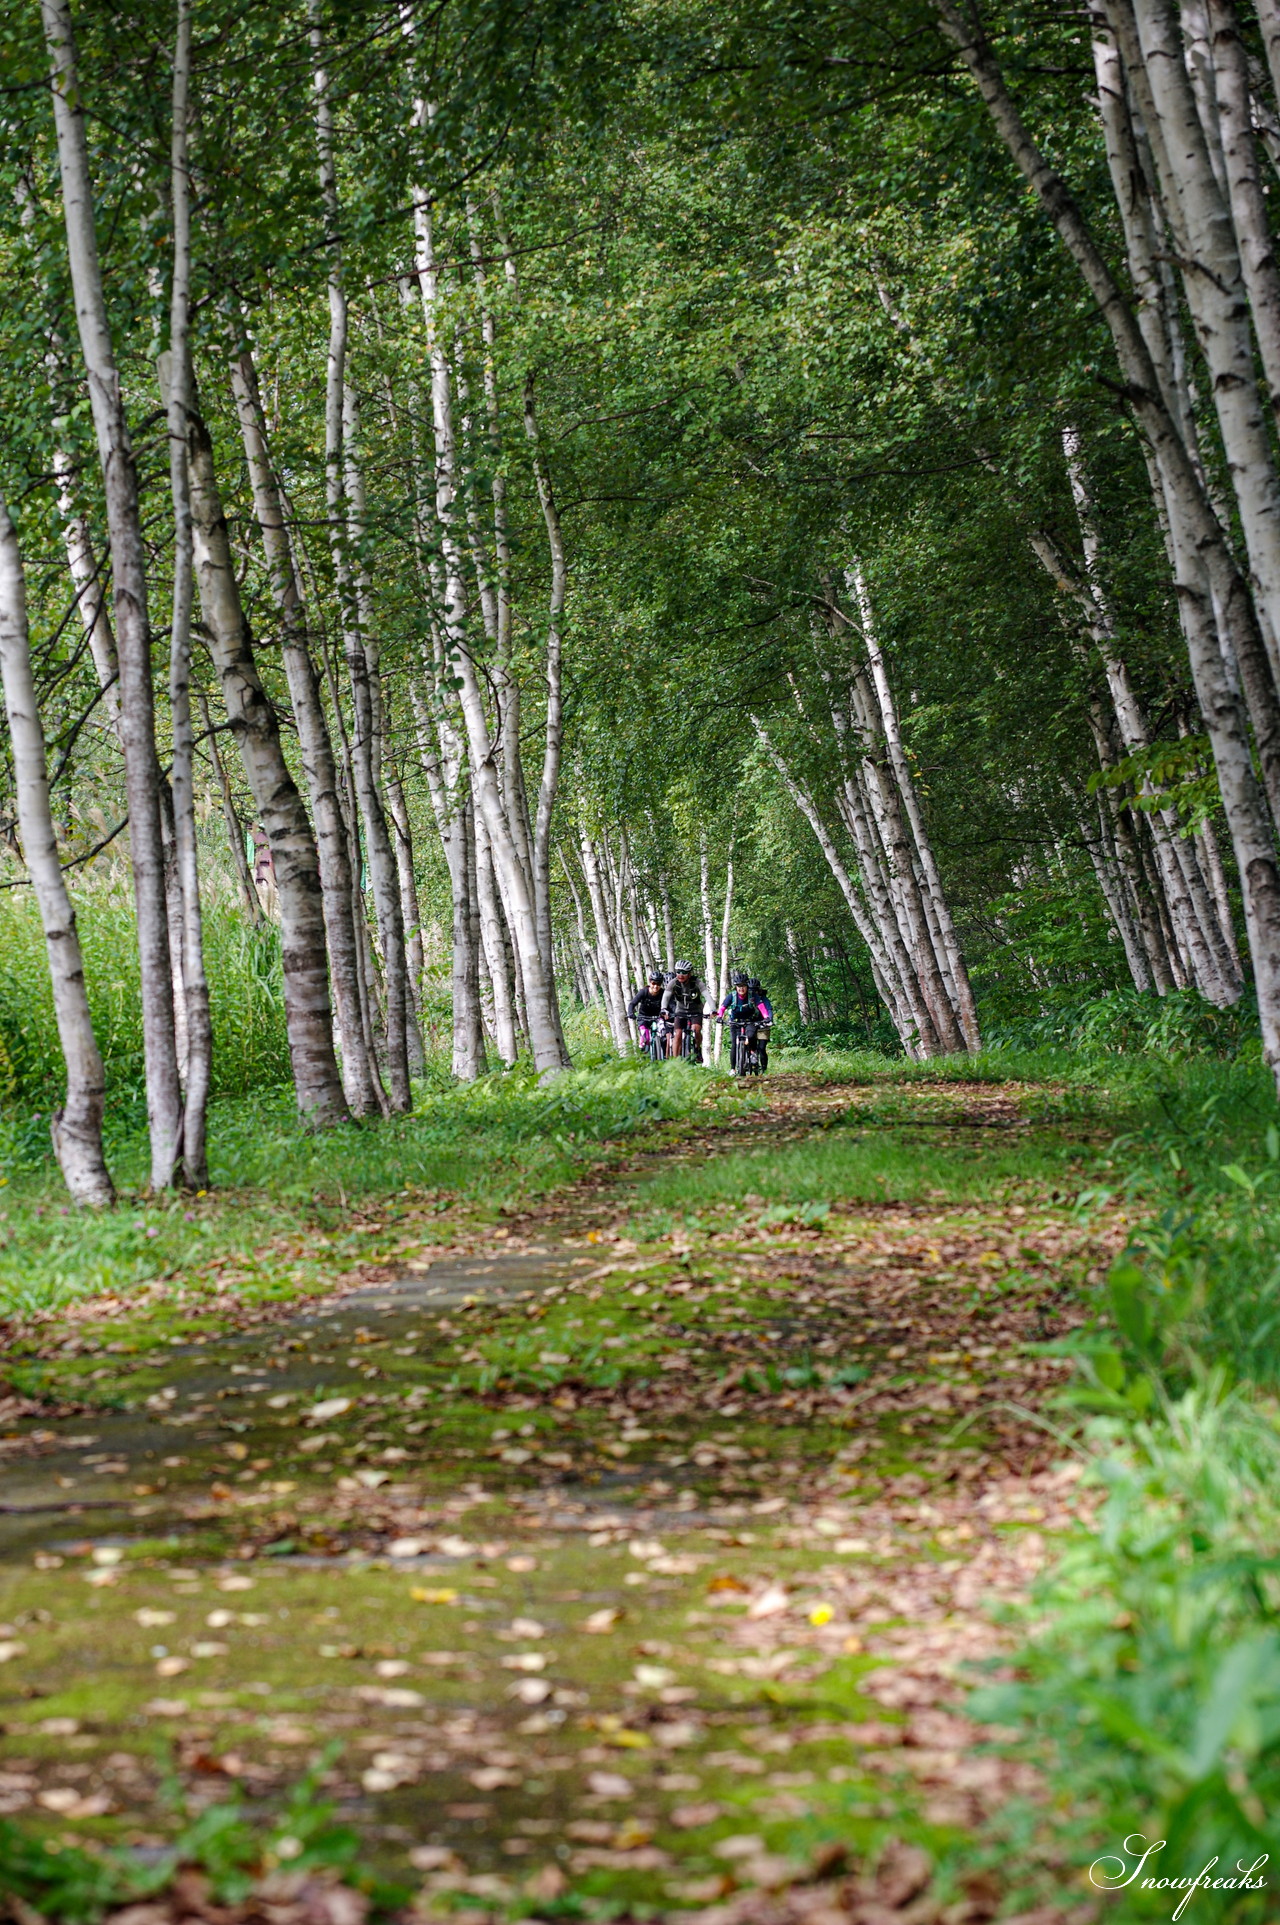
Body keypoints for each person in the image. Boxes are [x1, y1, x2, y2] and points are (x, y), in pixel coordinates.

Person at [718, 970, 772, 1070]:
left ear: (747, 986)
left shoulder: (752, 995)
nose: (741, 988)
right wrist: (719, 1016)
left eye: (743, 986)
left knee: (751, 1036)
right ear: (736, 987)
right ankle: (733, 1069)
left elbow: (761, 1006)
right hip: (735, 1022)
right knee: (734, 1045)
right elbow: (723, 1007)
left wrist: (766, 1017)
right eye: (739, 986)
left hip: (750, 1021)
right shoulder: (732, 996)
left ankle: (752, 1052)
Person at [661, 960, 705, 1061]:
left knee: (696, 1029)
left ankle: (697, 1049)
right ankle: (674, 1060)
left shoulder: (692, 985)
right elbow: (664, 1002)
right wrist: (663, 1011)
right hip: (674, 1017)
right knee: (676, 1035)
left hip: (692, 1012)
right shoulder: (666, 992)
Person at [627, 968, 666, 1054]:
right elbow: (632, 1004)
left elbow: (670, 1004)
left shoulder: (663, 993)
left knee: (663, 1034)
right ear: (650, 982)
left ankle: (663, 1056)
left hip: (657, 1017)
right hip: (643, 1017)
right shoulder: (643, 992)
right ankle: (644, 1054)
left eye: (658, 984)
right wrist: (631, 1013)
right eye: (653, 983)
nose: (656, 986)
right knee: (645, 1038)